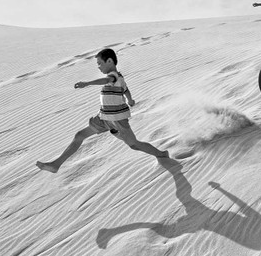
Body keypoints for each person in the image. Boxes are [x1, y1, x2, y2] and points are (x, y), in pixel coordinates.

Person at [36, 48, 169, 173]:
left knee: (134, 144)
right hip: (104, 118)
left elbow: (107, 80)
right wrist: (130, 100)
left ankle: (162, 154)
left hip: (117, 119)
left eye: (100, 63)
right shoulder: (119, 79)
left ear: (109, 61)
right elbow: (126, 90)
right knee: (79, 135)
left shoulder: (114, 76)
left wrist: (87, 83)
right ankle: (56, 164)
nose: (98, 66)